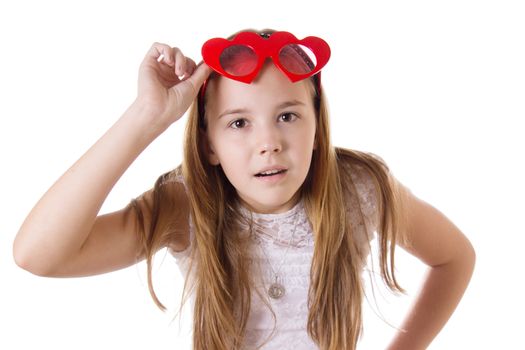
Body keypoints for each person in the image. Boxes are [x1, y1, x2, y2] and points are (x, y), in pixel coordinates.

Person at [13, 29, 476, 350]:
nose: (268, 143)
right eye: (238, 123)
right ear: (208, 144)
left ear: (317, 126)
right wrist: (144, 118)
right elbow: (39, 254)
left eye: (288, 115)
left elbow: (454, 257)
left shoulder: (358, 190)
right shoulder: (187, 205)